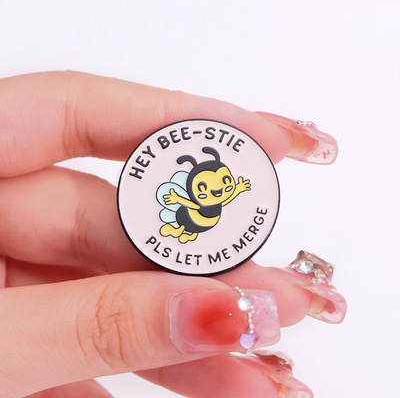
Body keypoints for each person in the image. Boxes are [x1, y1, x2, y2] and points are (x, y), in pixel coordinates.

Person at [0, 71, 346, 398]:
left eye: (223, 183)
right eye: (206, 188)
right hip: (190, 220)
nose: (217, 190)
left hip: (204, 227)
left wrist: (239, 189)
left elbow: (230, 197)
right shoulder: (188, 198)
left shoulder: (227, 193)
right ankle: (177, 227)